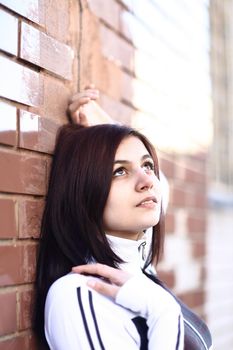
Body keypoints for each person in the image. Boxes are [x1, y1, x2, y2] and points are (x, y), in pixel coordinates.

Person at [33, 86, 213, 350]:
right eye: (119, 172)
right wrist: (162, 314)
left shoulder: (136, 261)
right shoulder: (80, 295)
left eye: (147, 165)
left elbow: (159, 186)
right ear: (83, 193)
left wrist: (103, 124)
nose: (147, 182)